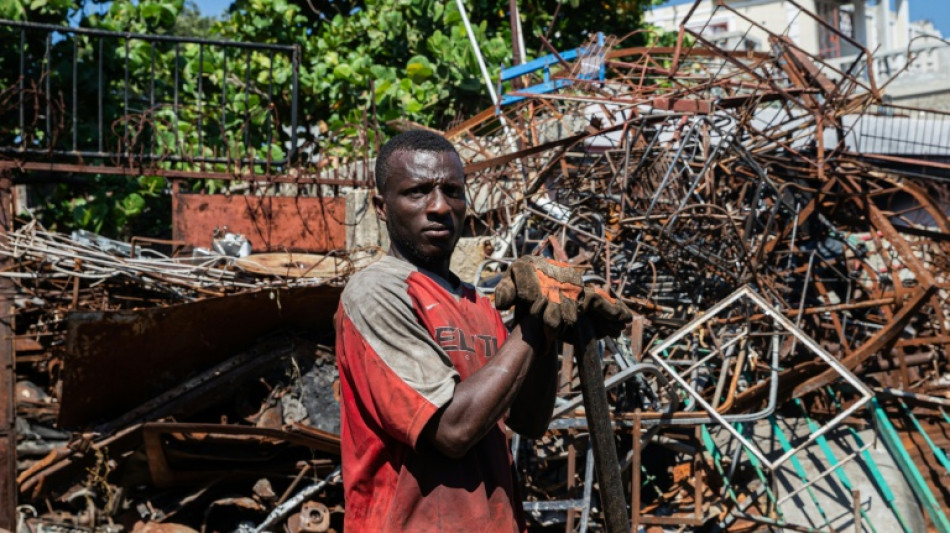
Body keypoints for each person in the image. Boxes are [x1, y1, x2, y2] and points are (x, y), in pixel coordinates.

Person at [334, 130, 561, 532]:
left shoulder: (478, 304)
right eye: (418, 191)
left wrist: (547, 326)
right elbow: (452, 430)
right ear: (381, 207)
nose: (439, 206)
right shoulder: (376, 293)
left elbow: (530, 420)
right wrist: (528, 328)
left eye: (453, 191)